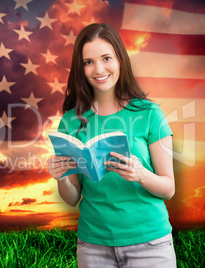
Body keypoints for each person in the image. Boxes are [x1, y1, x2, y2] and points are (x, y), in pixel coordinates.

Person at [47, 23, 177, 268]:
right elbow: (73, 198)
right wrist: (61, 178)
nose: (99, 69)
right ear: (80, 68)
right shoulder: (70, 121)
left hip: (150, 244)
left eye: (106, 58)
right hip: (93, 246)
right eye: (88, 62)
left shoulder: (149, 113)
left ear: (120, 60)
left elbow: (168, 189)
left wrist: (140, 174)